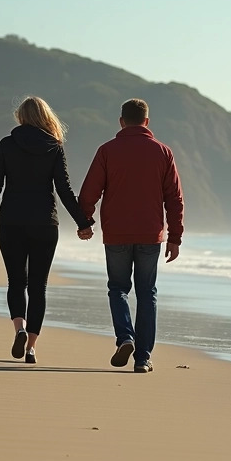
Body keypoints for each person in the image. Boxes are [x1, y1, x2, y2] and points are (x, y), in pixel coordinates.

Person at [0, 96, 95, 364]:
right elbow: (64, 189)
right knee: (38, 287)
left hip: (11, 223)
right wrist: (82, 222)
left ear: (21, 117)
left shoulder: (6, 145)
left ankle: (19, 328)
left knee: (16, 282)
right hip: (44, 223)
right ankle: (30, 347)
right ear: (45, 117)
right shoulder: (54, 147)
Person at [78, 98, 184, 373]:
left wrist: (85, 221)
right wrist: (175, 236)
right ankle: (142, 358)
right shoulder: (163, 152)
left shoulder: (107, 151)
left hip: (116, 233)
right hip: (150, 234)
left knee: (118, 288)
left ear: (121, 121)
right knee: (147, 293)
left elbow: (90, 192)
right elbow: (174, 199)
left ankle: (125, 337)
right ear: (147, 122)